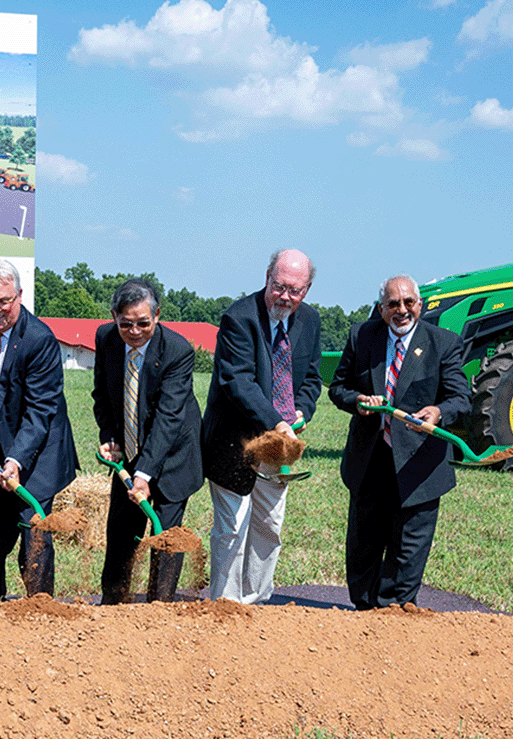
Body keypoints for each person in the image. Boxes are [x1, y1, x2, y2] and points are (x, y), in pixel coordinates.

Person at [328, 275, 470, 610]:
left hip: (419, 463)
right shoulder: (362, 336)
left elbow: (461, 398)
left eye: (408, 302)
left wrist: (438, 411)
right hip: (371, 456)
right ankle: (363, 608)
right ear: (381, 308)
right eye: (393, 304)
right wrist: (358, 401)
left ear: (419, 305)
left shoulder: (444, 343)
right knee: (364, 543)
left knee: (408, 547)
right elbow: (338, 389)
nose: (401, 310)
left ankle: (395, 609)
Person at [200, 249, 322, 604]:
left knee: (269, 525)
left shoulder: (310, 321)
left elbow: (312, 377)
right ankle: (225, 605)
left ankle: (256, 602)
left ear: (307, 289)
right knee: (232, 528)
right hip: (234, 440)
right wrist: (277, 421)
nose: (285, 296)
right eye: (279, 286)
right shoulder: (238, 318)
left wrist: (302, 410)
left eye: (294, 290)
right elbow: (237, 381)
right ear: (267, 276)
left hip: (278, 445)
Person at [0, 259, 76, 602]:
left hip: (37, 454)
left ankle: (40, 608)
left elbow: (40, 411)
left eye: (4, 301)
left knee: (33, 534)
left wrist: (16, 461)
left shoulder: (39, 340)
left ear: (19, 296)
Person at [90, 279, 203, 604]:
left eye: (143, 323)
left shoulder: (178, 351)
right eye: (126, 323)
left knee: (166, 541)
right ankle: (112, 606)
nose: (134, 331)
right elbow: (103, 395)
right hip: (129, 450)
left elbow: (169, 417)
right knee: (121, 537)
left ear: (157, 316)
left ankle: (160, 609)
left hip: (173, 457)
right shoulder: (107, 339)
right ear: (114, 316)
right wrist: (109, 438)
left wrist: (145, 475)